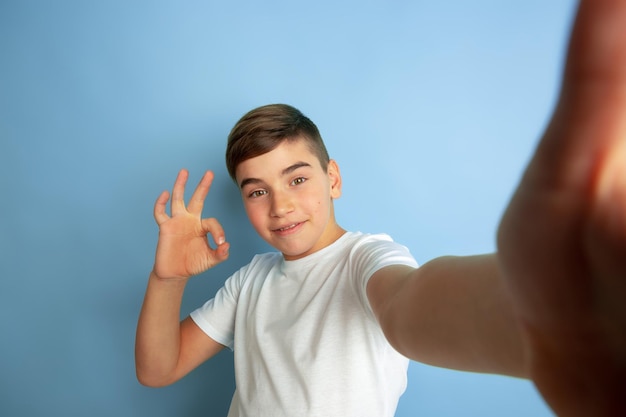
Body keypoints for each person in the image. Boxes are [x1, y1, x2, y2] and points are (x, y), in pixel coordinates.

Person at [135, 0, 626, 415]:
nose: (280, 205)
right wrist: (168, 278)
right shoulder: (250, 282)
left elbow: (408, 305)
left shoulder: (366, 259)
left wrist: (533, 317)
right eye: (256, 190)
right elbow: (158, 369)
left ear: (333, 179)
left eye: (298, 179)